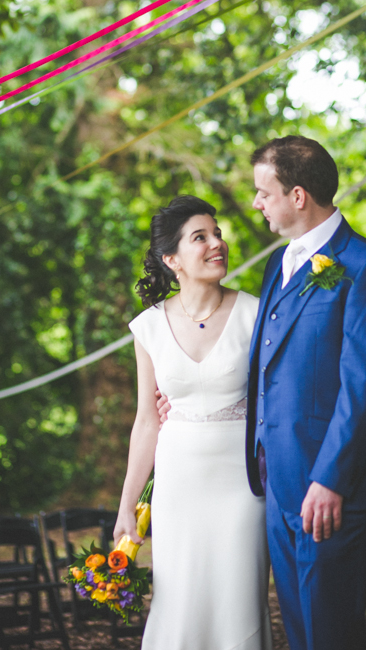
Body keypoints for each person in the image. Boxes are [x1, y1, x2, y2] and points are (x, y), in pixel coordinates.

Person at [246, 135, 366, 650]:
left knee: (331, 636)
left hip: (333, 491)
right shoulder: (278, 264)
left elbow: (365, 386)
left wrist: (331, 479)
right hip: (279, 485)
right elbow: (270, 367)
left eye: (262, 192)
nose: (256, 203)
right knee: (300, 635)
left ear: (297, 196)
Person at [113, 195, 272, 650]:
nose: (216, 243)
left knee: (237, 604)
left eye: (217, 233)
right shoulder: (149, 327)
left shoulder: (255, 313)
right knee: (178, 603)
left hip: (242, 484)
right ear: (172, 259)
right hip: (177, 489)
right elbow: (147, 422)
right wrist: (127, 506)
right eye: (200, 237)